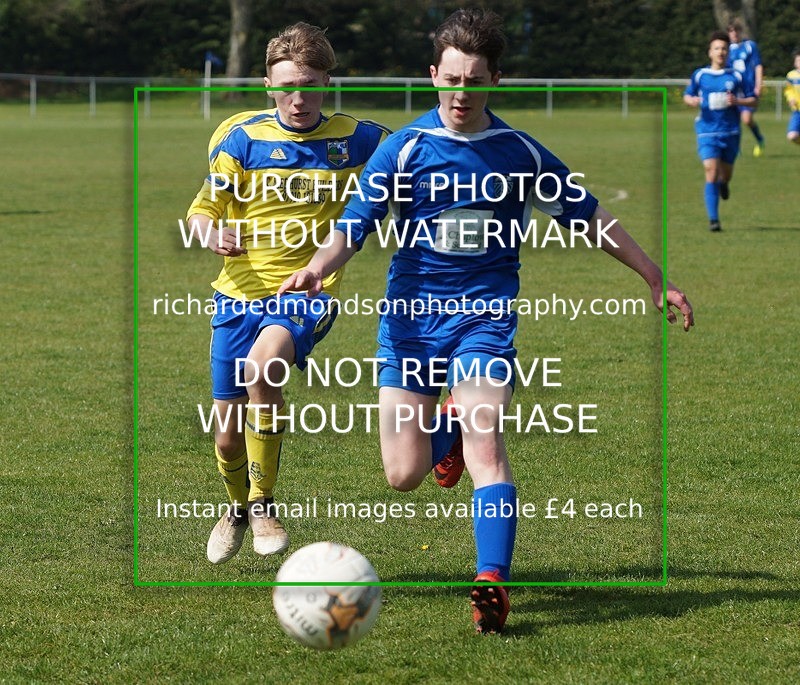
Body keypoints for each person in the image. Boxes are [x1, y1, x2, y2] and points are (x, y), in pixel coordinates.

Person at [280, 9, 694, 633]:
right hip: (411, 324)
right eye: (450, 79)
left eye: (474, 80)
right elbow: (352, 228)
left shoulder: (517, 151)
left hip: (485, 320)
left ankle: (491, 581)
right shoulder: (405, 148)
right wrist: (315, 269)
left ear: (493, 79)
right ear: (433, 76)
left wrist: (653, 275)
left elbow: (588, 215)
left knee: (487, 446)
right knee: (403, 474)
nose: (460, 93)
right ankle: (439, 430)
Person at [185, 23, 389, 564]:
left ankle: (264, 503)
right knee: (227, 438)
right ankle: (237, 509)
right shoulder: (243, 139)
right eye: (288, 86)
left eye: (312, 84)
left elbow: (415, 158)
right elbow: (202, 209)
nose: (299, 99)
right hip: (234, 298)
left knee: (263, 367)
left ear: (328, 82)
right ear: (268, 86)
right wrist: (211, 233)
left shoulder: (359, 139)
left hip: (308, 292)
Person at [684, 30, 756, 232]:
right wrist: (692, 101)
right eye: (717, 48)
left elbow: (753, 99)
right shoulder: (700, 75)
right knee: (711, 171)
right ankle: (714, 220)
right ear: (710, 52)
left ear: (728, 52)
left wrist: (738, 101)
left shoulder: (736, 76)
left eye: (724, 48)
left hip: (731, 132)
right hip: (707, 131)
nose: (721, 52)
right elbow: (687, 96)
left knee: (726, 174)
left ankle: (724, 183)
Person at [727, 20, 766, 156]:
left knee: (747, 119)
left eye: (736, 30)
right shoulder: (727, 50)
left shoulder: (750, 46)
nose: (734, 33)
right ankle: (736, 149)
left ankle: (760, 139)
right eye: (731, 31)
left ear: (740, 31)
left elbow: (758, 65)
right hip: (734, 90)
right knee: (734, 120)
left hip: (748, 89)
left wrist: (758, 83)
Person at [785, 49, 800, 145]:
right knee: (792, 136)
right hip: (797, 110)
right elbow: (788, 90)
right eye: (798, 61)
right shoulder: (791, 75)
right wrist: (790, 99)